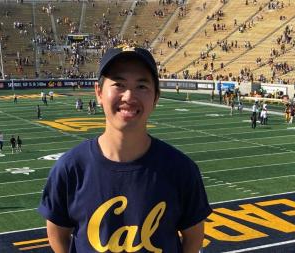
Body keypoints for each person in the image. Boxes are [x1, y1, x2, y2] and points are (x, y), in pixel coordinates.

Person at [38, 46, 212, 253]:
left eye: (141, 86)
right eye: (119, 84)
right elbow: (57, 233)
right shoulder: (70, 167)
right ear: (99, 93)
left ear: (156, 97)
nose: (129, 96)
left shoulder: (182, 169)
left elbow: (193, 237)